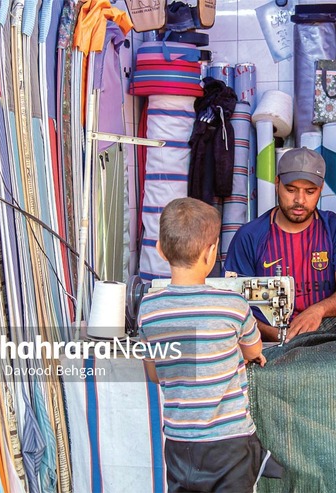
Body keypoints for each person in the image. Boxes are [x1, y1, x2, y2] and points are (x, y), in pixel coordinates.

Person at [138, 197, 281, 492]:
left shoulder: (149, 308)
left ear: (161, 250)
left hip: (179, 445)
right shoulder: (231, 304)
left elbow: (153, 374)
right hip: (230, 444)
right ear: (213, 251)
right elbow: (254, 350)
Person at [224, 147, 336, 342]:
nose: (300, 200)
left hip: (328, 342)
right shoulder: (249, 236)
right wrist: (279, 335)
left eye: (310, 191)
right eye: (291, 190)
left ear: (321, 188)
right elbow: (234, 304)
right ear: (277, 183)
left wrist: (318, 310)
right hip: (267, 346)